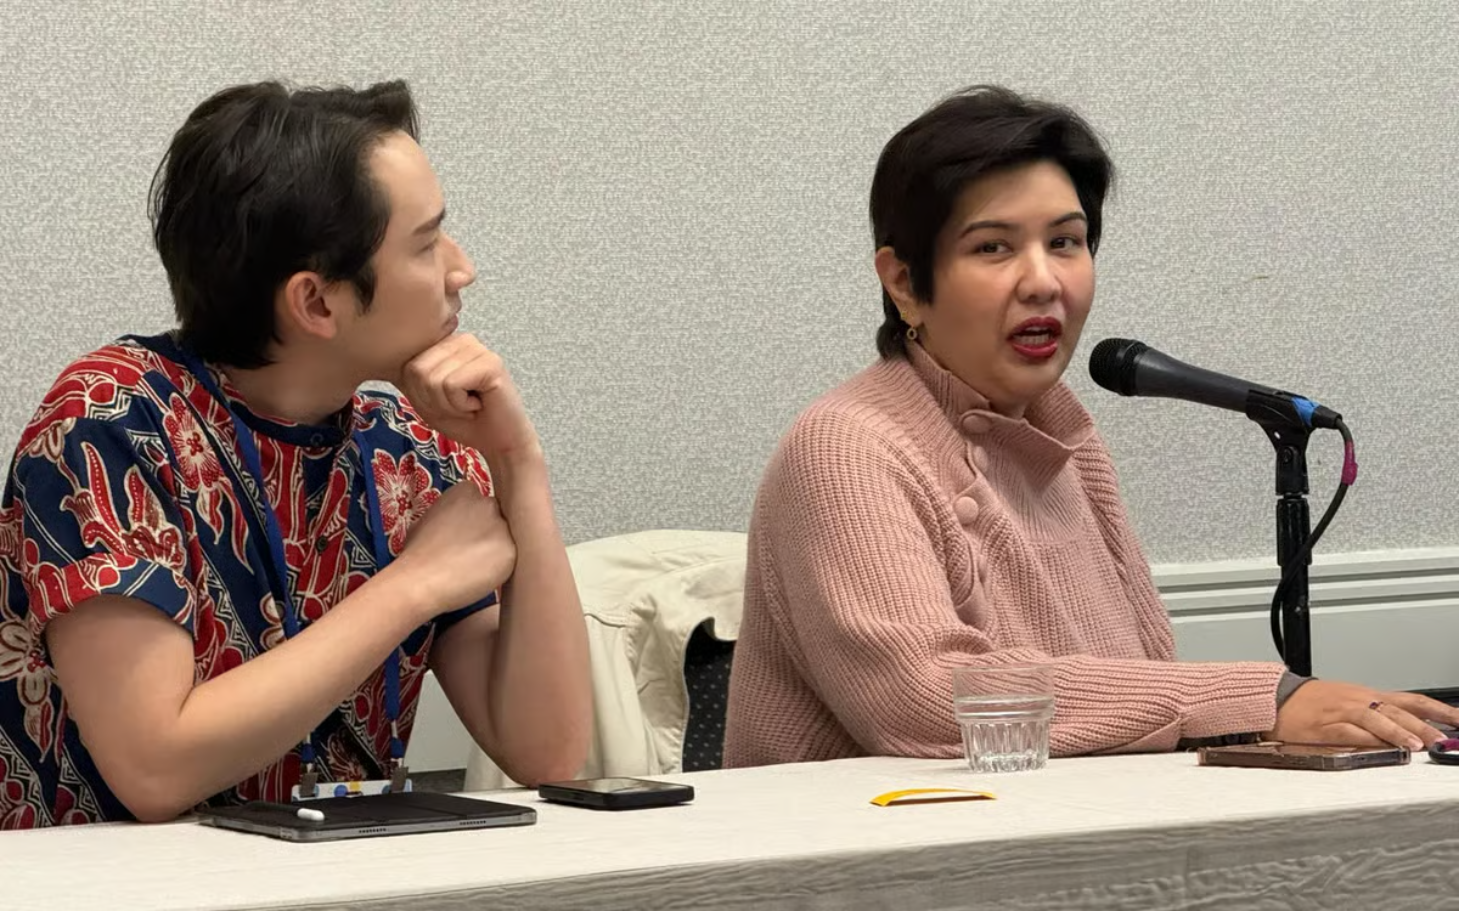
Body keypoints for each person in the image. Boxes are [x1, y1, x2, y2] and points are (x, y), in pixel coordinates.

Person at [723, 85, 1459, 767]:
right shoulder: (846, 447)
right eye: (993, 247)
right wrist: (1263, 698)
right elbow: (924, 700)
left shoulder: (1065, 436)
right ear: (904, 283)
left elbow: (1143, 684)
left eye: (1065, 241)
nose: (1042, 279)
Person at [0, 80, 591, 827]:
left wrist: (519, 466)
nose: (459, 266)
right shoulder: (109, 422)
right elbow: (154, 764)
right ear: (316, 302)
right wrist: (415, 585)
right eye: (424, 242)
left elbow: (546, 751)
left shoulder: (412, 449)